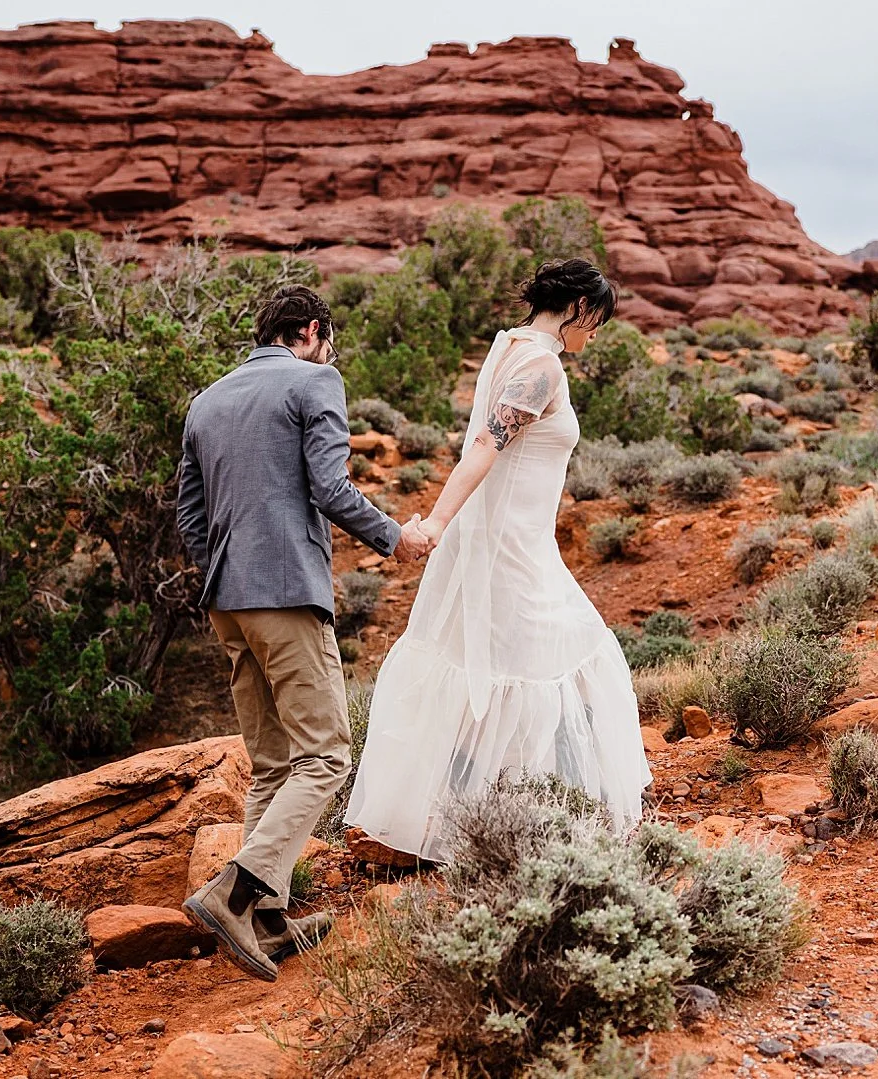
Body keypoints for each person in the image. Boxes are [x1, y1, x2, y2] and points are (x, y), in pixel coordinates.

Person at [345, 259, 651, 861]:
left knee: (510, 667)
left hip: (516, 543)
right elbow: (487, 443)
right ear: (579, 310)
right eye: (597, 323)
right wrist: (436, 520)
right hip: (514, 550)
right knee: (555, 661)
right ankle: (531, 828)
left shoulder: (508, 347)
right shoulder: (539, 365)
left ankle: (499, 814)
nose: (595, 337)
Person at [175, 284, 433, 981]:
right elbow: (330, 487)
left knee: (275, 762)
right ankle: (234, 891)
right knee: (326, 756)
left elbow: (190, 517)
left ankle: (267, 915)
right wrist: (395, 537)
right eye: (329, 339)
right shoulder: (315, 379)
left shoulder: (207, 399)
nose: (330, 352)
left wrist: (225, 573)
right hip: (286, 592)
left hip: (227, 601)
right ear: (313, 329)